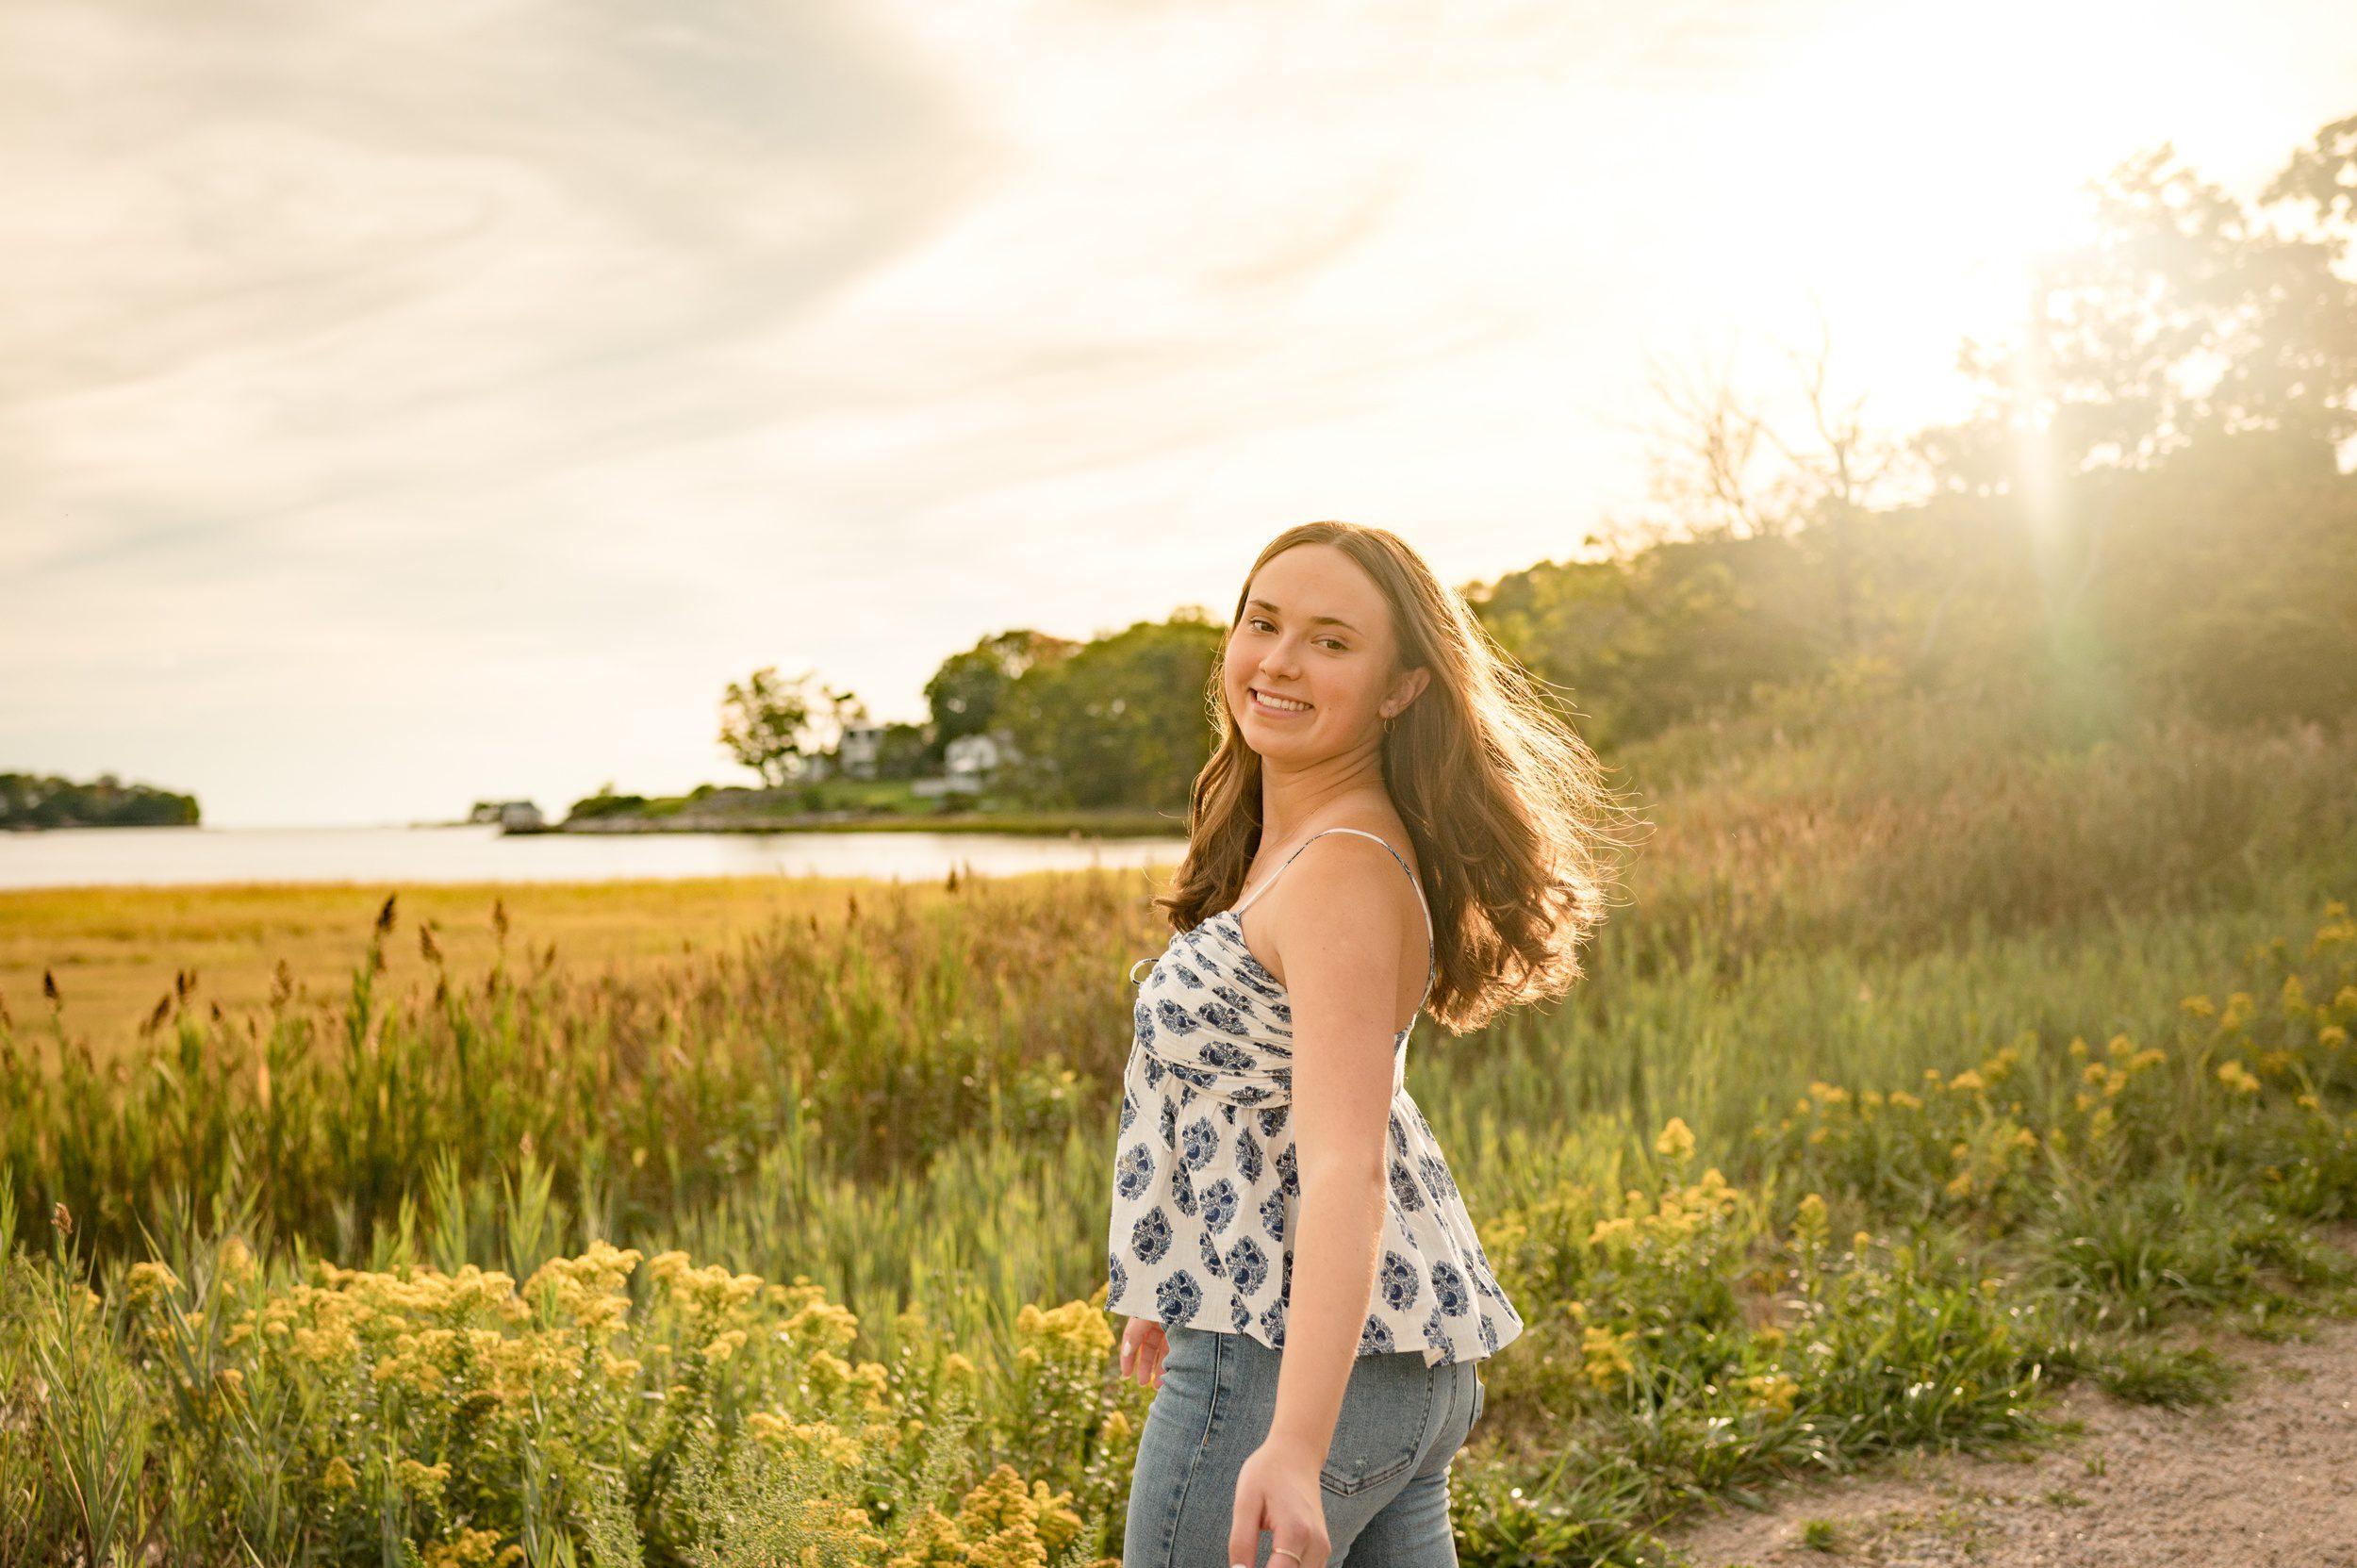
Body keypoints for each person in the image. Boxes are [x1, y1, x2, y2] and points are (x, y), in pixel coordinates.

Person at [1106, 521, 1632, 1568]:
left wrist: (1291, 1442)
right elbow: (1254, 1104)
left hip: (1287, 1373)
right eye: (1263, 622)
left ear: (1401, 688)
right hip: (1371, 1359)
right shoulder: (1305, 842)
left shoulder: (1340, 865)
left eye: (1331, 641)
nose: (1280, 659)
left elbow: (1347, 1164)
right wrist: (1178, 1280)